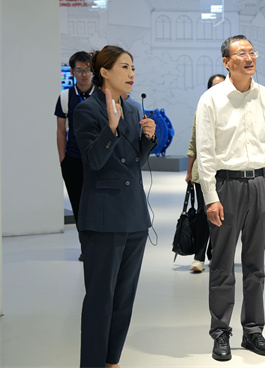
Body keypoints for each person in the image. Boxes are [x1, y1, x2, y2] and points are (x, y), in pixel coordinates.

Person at [195, 35, 265, 361]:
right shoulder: (211, 99)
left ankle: (253, 330)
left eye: (251, 52)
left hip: (261, 183)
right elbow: (205, 152)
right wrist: (210, 197)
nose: (249, 58)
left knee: (255, 264)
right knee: (222, 265)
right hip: (226, 186)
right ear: (226, 62)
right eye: (241, 53)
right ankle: (221, 332)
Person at [73, 45, 157, 368]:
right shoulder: (87, 111)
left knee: (124, 298)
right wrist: (110, 128)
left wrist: (147, 139)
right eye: (124, 67)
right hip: (103, 217)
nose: (131, 73)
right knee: (100, 298)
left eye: (133, 67)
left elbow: (134, 163)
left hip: (134, 216)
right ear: (104, 72)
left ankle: (112, 361)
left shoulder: (133, 110)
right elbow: (93, 162)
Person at [55, 51, 96, 261]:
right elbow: (61, 130)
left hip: (97, 160)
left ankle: (100, 247)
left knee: (97, 205)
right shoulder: (65, 97)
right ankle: (86, 248)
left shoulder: (102, 94)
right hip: (73, 159)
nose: (84, 74)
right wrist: (63, 160)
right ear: (72, 72)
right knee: (79, 205)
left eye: (88, 70)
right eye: (79, 70)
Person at [185, 73, 226, 272]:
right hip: (203, 172)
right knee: (204, 213)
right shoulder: (202, 109)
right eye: (214, 86)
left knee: (222, 215)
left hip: (226, 172)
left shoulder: (233, 110)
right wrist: (189, 172)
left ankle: (215, 254)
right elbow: (194, 142)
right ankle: (199, 257)